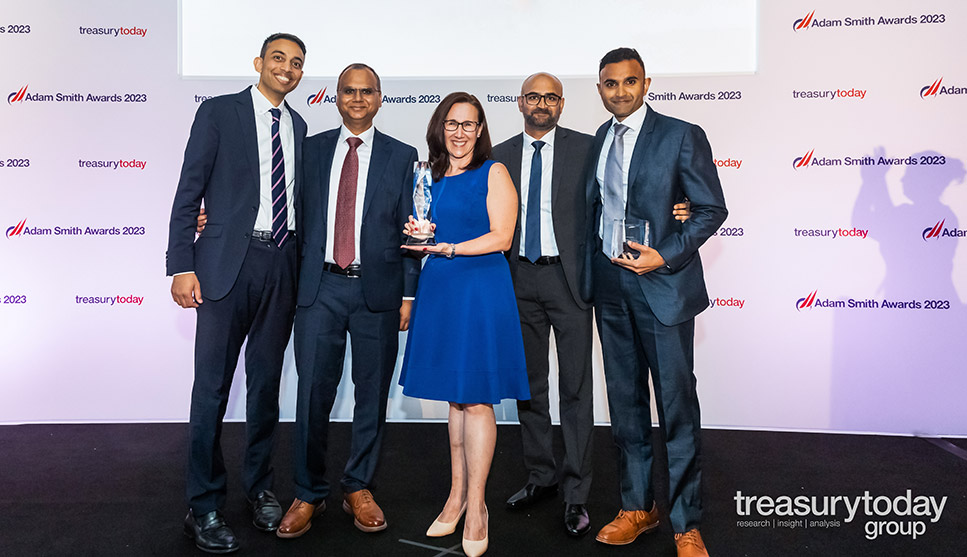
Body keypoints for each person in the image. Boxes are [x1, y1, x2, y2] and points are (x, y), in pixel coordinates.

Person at [492, 73, 691, 538]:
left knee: (577, 389)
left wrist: (679, 204)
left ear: (562, 104)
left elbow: (630, 189)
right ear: (520, 102)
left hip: (572, 282)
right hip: (517, 280)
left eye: (551, 97)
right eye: (534, 96)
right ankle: (541, 475)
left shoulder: (589, 147)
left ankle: (576, 492)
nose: (542, 104)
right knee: (529, 386)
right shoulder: (498, 156)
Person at [166, 33, 307, 554]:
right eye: (278, 58)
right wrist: (181, 264)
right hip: (225, 264)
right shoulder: (218, 112)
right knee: (211, 390)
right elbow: (189, 189)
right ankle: (202, 506)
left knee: (266, 387)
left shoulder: (298, 125)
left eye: (296, 62)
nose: (287, 68)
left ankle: (259, 488)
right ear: (258, 63)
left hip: (282, 263)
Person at [583, 48, 727, 557]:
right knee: (625, 404)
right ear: (600, 89)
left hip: (662, 287)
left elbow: (711, 209)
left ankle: (686, 522)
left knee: (676, 407)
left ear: (646, 84)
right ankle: (637, 507)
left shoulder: (681, 134)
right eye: (610, 84)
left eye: (630, 82)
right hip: (610, 285)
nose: (620, 91)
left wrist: (663, 255)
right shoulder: (600, 138)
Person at [275, 63, 420, 539]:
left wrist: (408, 293)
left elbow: (412, 230)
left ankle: (359, 486)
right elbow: (280, 205)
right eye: (349, 91)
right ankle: (307, 491)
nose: (358, 98)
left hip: (378, 291)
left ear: (379, 98)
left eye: (367, 91)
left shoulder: (402, 155)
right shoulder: (311, 149)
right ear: (336, 97)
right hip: (319, 288)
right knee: (312, 394)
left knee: (372, 395)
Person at [399, 92, 529, 557]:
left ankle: (477, 507)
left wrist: (450, 248)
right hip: (441, 289)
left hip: (479, 290)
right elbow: (427, 228)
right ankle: (455, 497)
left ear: (480, 130)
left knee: (475, 399)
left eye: (468, 124)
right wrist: (420, 236)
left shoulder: (494, 172)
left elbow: (502, 236)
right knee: (456, 399)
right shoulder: (428, 176)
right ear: (440, 127)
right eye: (452, 123)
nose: (459, 132)